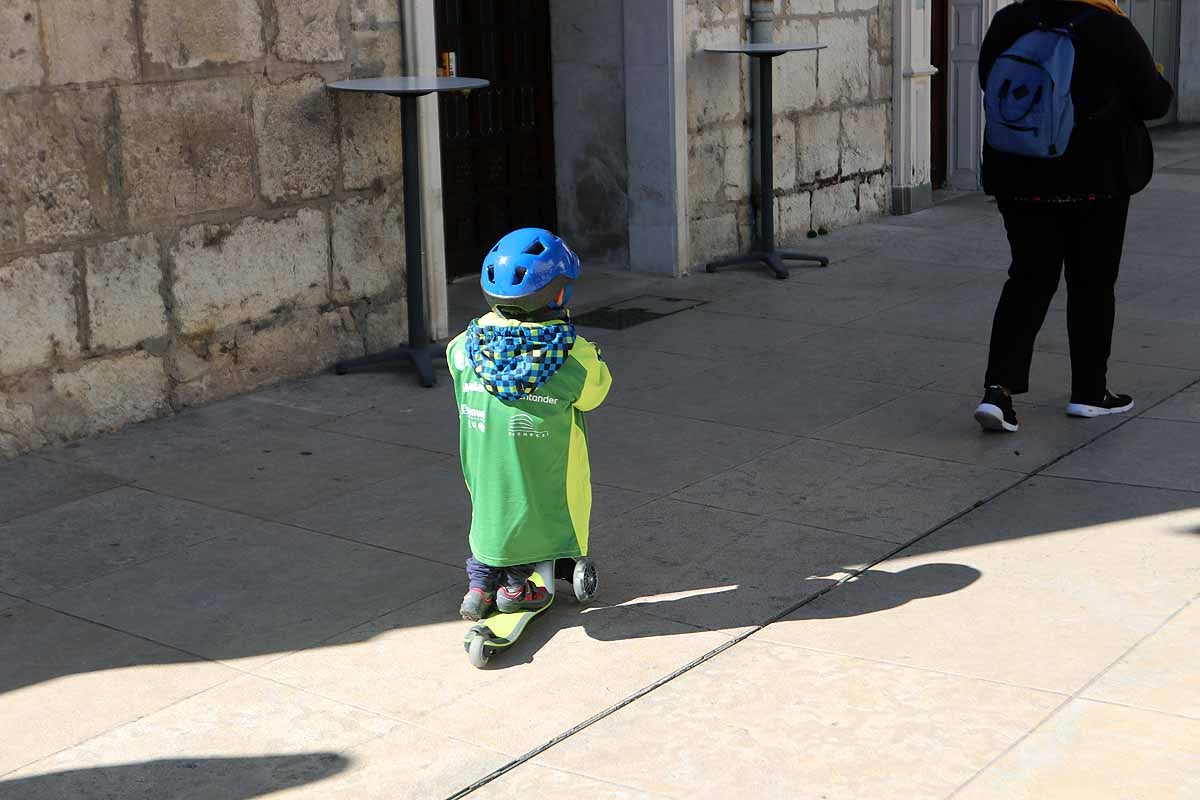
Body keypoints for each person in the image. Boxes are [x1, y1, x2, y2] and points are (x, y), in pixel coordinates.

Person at [973, 0, 1173, 433]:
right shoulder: (1110, 25)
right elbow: (1154, 101)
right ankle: (1089, 393)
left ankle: (998, 392)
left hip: (1020, 176)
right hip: (1095, 179)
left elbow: (991, 83)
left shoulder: (1011, 20)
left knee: (1028, 278)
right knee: (1092, 283)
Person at [447, 228, 612, 621]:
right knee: (534, 509)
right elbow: (595, 393)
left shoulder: (462, 348)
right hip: (542, 472)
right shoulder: (573, 355)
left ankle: (478, 586)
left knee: (490, 512)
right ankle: (517, 587)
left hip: (484, 469)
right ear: (558, 295)